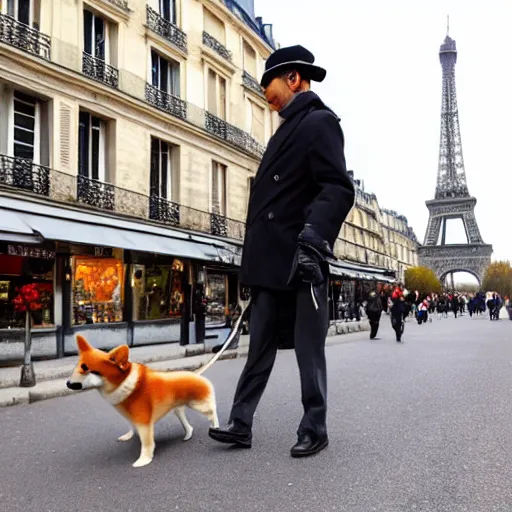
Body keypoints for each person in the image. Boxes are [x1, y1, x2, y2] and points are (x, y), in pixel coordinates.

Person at [208, 45, 355, 458]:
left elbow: (338, 187)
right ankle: (240, 423)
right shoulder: (288, 128)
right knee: (259, 350)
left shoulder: (320, 123)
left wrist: (314, 237)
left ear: (293, 78)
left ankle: (315, 426)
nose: (265, 96)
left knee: (309, 349)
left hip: (301, 257)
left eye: (268, 84)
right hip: (270, 261)